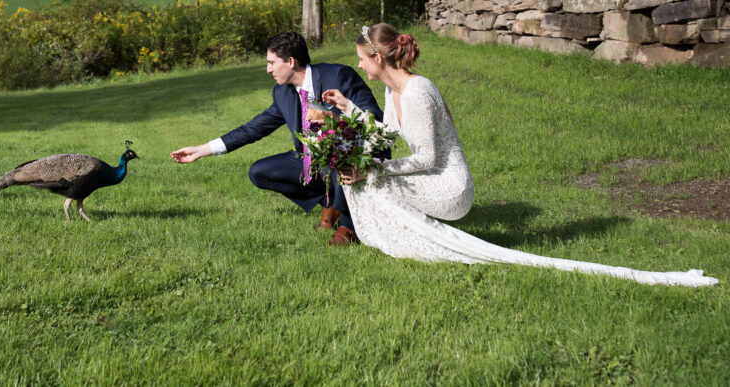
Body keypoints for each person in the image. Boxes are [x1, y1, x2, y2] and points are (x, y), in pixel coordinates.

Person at [319, 24, 718, 286]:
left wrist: (377, 168)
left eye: (362, 58)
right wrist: (347, 108)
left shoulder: (418, 91)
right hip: (429, 175)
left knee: (371, 178)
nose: (359, 65)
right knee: (362, 178)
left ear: (379, 58)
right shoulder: (393, 90)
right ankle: (404, 240)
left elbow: (425, 160)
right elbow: (386, 133)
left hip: (449, 187)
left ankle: (420, 245)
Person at [171, 31, 382, 245]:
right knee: (259, 172)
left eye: (271, 63)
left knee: (341, 158)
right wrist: (201, 150)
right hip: (312, 161)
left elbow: (374, 118)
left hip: (352, 157)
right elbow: (252, 129)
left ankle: (348, 225)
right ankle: (331, 203)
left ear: (290, 61)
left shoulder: (338, 75)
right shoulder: (282, 93)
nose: (268, 69)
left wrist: (336, 119)